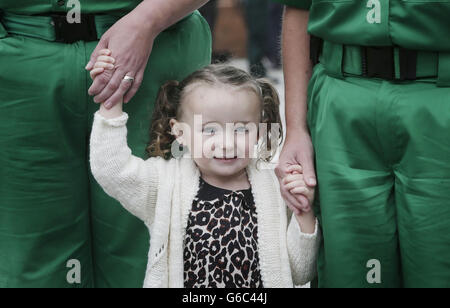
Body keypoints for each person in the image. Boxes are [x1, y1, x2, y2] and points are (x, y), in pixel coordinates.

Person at [0, 0, 211, 287]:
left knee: (153, 242)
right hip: (17, 55)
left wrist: (147, 20)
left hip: (158, 46)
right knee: (29, 254)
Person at [89, 57, 321, 287]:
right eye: (210, 130)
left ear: (259, 133)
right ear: (179, 132)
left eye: (241, 129)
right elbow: (112, 169)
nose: (227, 143)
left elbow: (300, 273)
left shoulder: (274, 187)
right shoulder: (165, 183)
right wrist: (112, 98)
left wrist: (303, 213)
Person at [274, 0, 450, 287]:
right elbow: (299, 7)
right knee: (353, 270)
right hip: (342, 93)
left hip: (440, 96)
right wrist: (295, 127)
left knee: (439, 266)